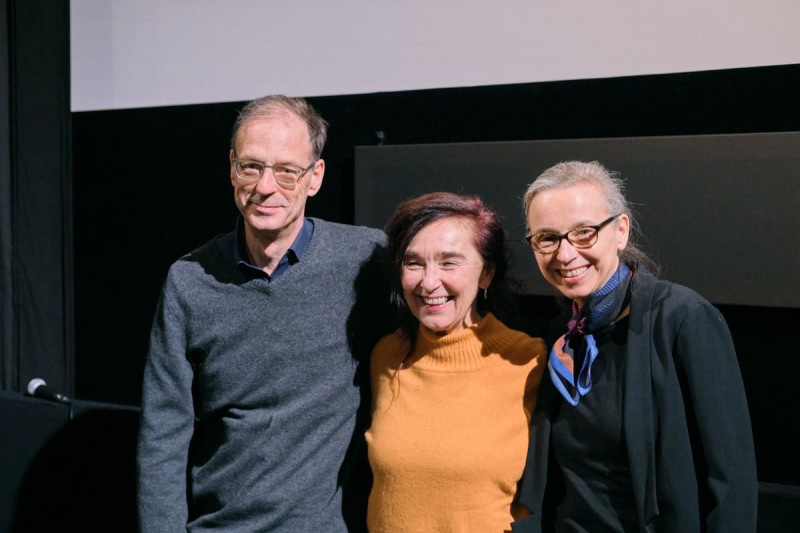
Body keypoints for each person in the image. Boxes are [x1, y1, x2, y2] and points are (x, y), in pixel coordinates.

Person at [136, 95, 392, 532]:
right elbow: (163, 434)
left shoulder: (366, 260)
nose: (265, 186)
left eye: (286, 170)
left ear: (315, 177)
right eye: (251, 166)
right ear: (231, 167)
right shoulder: (190, 280)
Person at [513, 161, 757, 532]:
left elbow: (731, 483)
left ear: (621, 231)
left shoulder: (683, 319)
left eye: (584, 233)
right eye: (547, 238)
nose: (564, 255)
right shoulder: (560, 334)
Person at [366, 192, 547, 532]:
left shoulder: (528, 361)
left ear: (486, 274)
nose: (429, 281)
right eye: (413, 263)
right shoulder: (387, 356)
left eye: (449, 263)